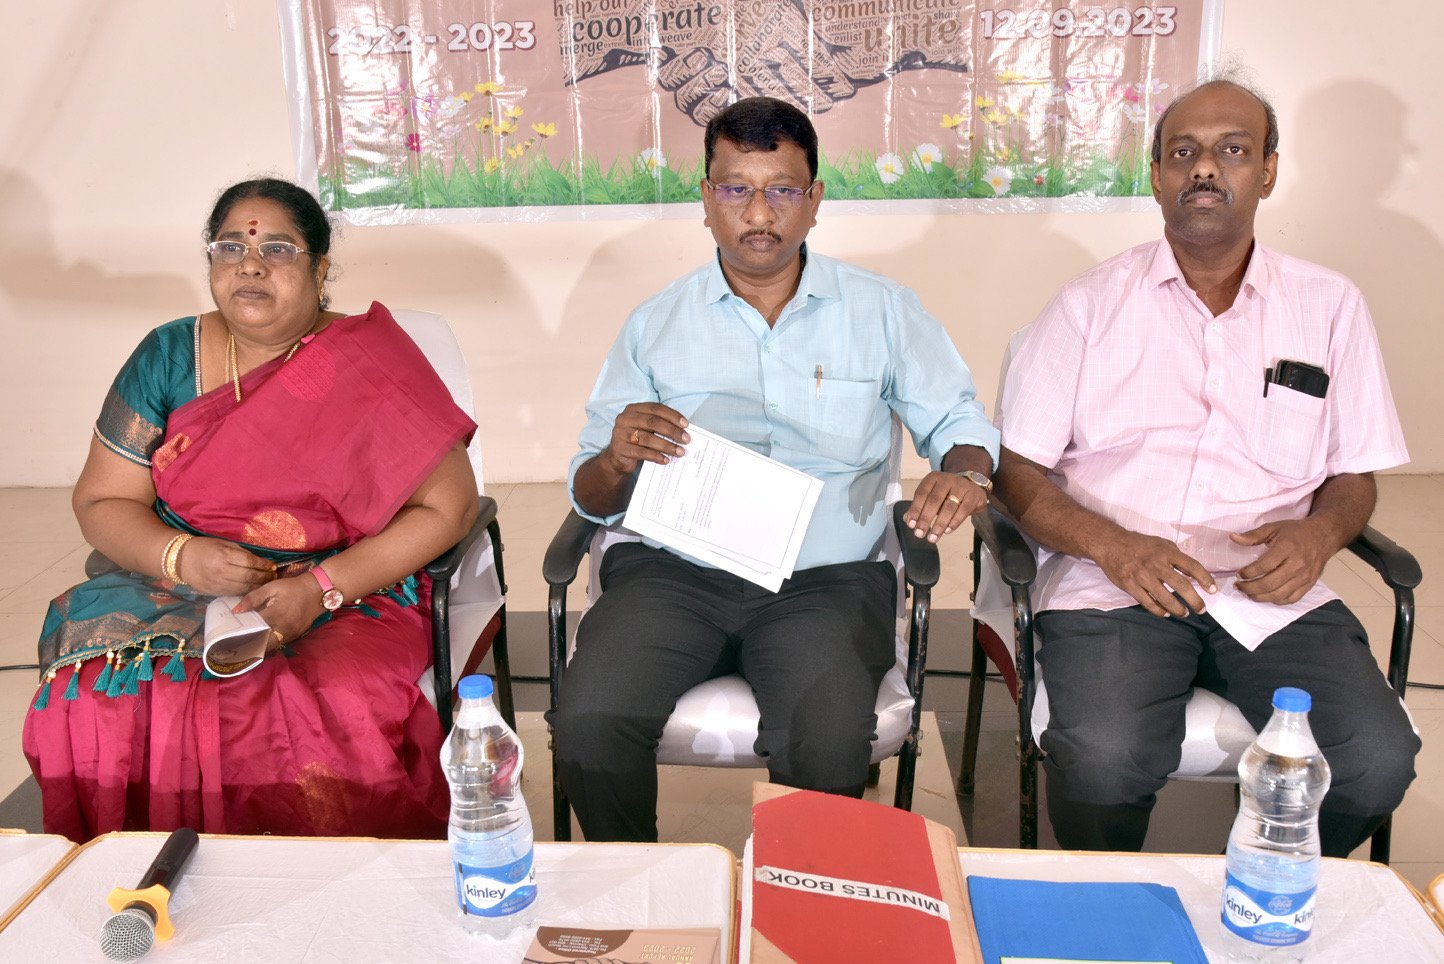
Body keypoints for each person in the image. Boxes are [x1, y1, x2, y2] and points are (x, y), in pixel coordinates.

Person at [548, 96, 1000, 842]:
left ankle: (798, 902)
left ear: (814, 200)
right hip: (674, 575)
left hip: (824, 583)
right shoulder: (655, 324)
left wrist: (966, 473)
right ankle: (643, 888)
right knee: (589, 724)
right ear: (706, 200)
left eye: (782, 190)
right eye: (736, 189)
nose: (759, 214)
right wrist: (617, 457)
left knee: (826, 743)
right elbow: (592, 495)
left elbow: (959, 424)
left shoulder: (883, 311)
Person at [992, 79, 1419, 856]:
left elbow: (1355, 473)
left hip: (1269, 591)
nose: (1205, 168)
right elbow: (1015, 470)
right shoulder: (1088, 305)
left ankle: (1258, 881)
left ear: (1269, 171)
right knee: (1103, 759)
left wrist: (1320, 535)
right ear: (1156, 176)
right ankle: (1115, 901)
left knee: (1374, 761)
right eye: (1183, 152)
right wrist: (1115, 547)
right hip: (1117, 586)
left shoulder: (1329, 305)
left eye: (1233, 150)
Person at [23, 178, 479, 840]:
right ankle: (147, 870)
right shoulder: (166, 357)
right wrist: (182, 557)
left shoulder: (372, 361)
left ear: (320, 269)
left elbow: (450, 510)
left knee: (326, 703)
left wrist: (319, 590)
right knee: (100, 687)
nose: (251, 265)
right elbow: (102, 498)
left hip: (352, 585)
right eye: (230, 246)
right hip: (182, 582)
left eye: (279, 249)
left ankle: (329, 884)